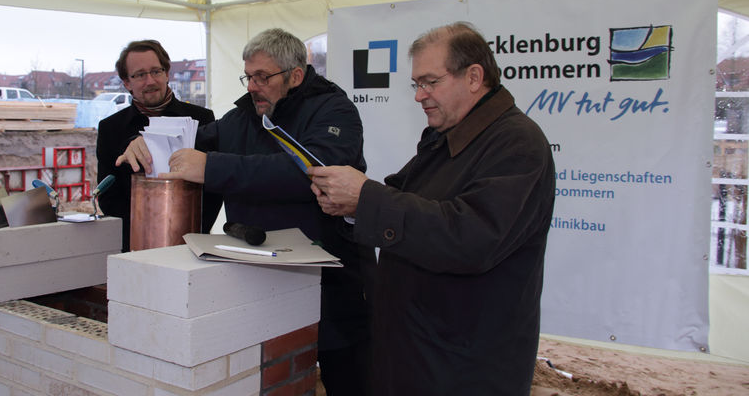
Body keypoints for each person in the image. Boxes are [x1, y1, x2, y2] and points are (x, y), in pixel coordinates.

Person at [117, 28, 372, 396]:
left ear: (295, 76)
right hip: (259, 280)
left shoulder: (335, 111)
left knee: (347, 378)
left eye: (262, 77)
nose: (252, 86)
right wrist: (144, 142)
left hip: (330, 284)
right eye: (248, 76)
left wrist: (211, 167)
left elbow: (309, 172)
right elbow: (186, 142)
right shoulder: (242, 117)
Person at [308, 22, 556, 395]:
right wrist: (349, 204)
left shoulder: (517, 143)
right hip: (423, 351)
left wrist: (365, 198)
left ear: (474, 77)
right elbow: (405, 195)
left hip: (463, 365)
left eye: (430, 82)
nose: (419, 96)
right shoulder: (447, 135)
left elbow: (471, 237)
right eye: (416, 84)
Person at [96, 40, 216, 252]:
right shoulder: (110, 128)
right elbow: (108, 196)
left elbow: (214, 187)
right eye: (140, 75)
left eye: (156, 71)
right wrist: (139, 237)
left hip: (192, 244)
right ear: (126, 82)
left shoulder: (202, 119)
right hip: (134, 246)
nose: (150, 81)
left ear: (167, 73)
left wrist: (196, 233)